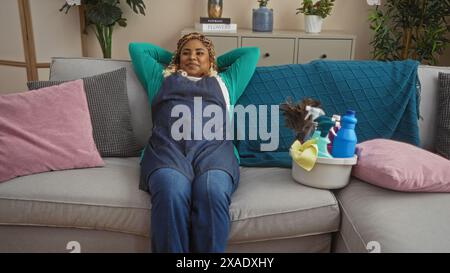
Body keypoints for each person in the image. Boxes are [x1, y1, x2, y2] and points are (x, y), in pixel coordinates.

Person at [129, 32, 259, 253]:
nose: (192, 57)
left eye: (200, 53)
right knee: (171, 191)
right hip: (168, 151)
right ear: (178, 59)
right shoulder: (159, 78)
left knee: (212, 191)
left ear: (210, 60)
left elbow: (251, 53)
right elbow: (137, 48)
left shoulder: (226, 82)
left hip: (214, 152)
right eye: (186, 53)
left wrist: (213, 60)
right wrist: (176, 56)